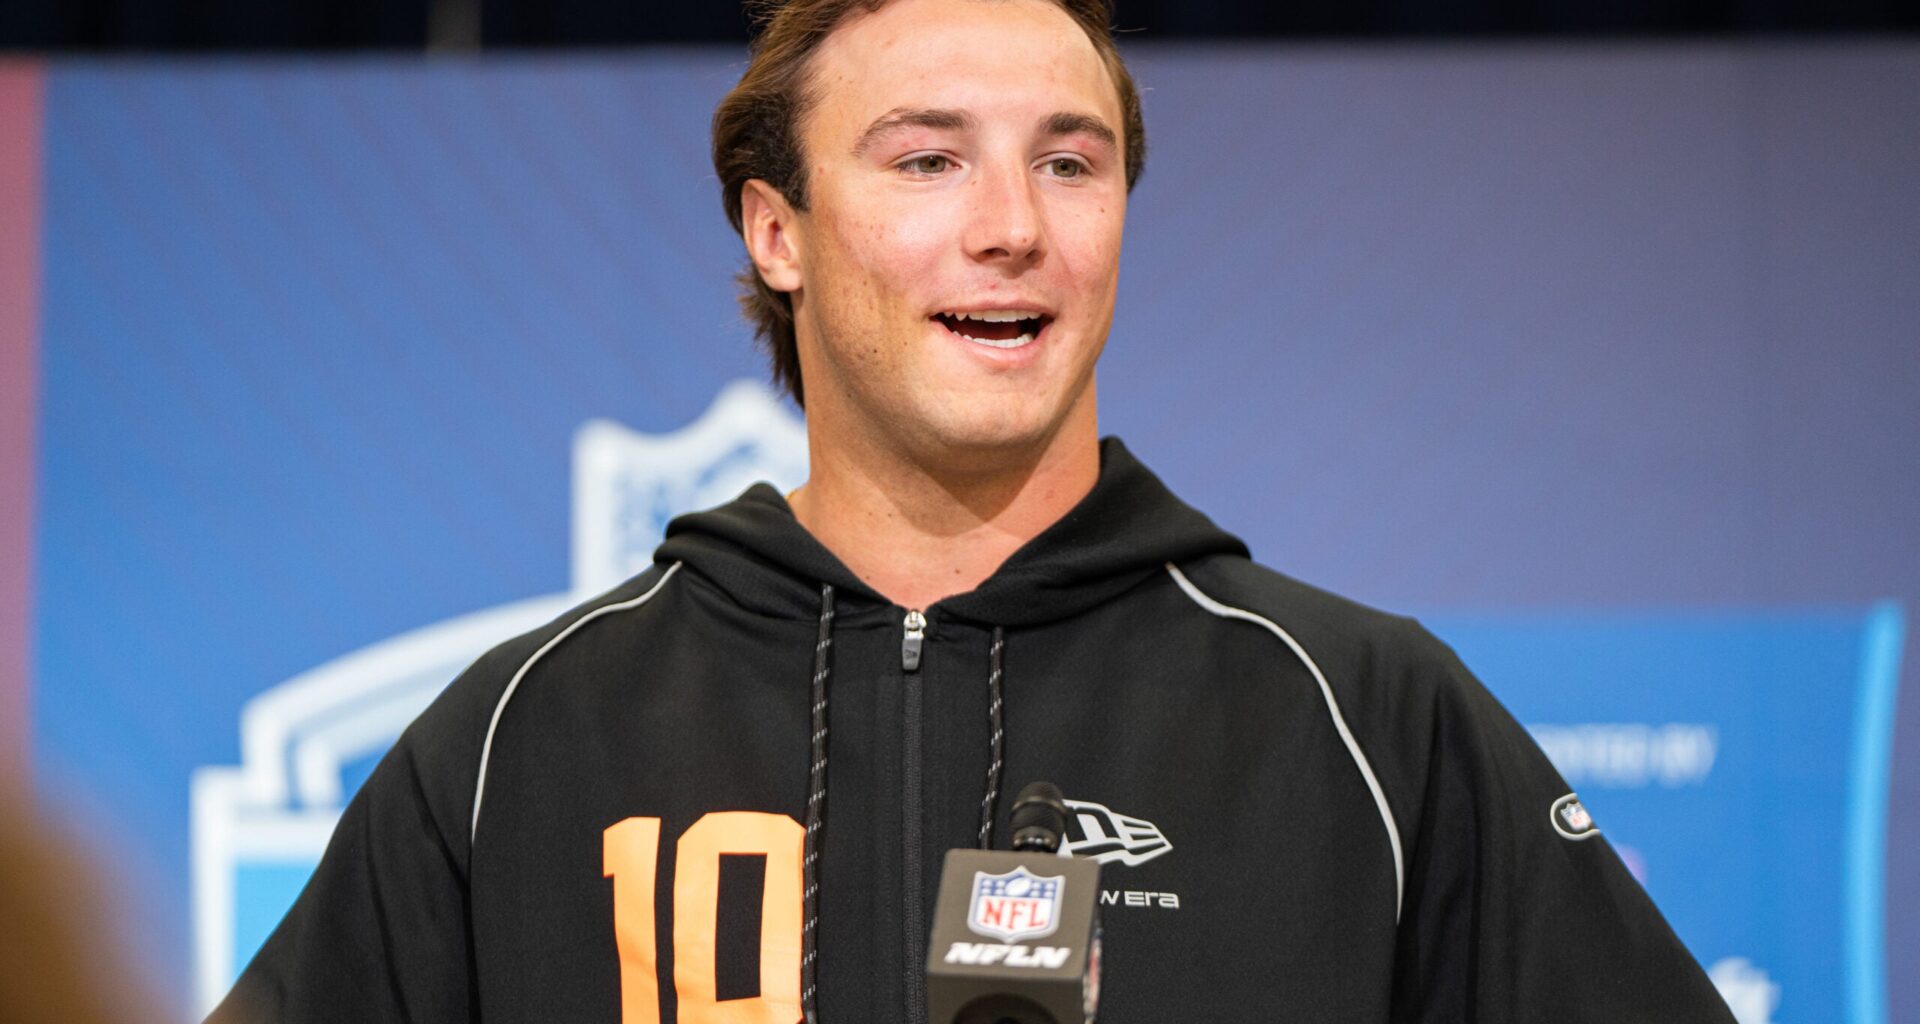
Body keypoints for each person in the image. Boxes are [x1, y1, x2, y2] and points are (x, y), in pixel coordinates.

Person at [212, 0, 1739, 1020]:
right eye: (928, 160)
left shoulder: (1367, 716)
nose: (1011, 229)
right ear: (778, 228)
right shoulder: (523, 736)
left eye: (1069, 164)